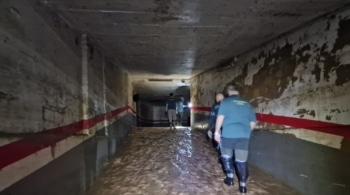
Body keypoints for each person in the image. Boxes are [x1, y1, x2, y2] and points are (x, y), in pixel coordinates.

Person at [214, 84, 256, 193]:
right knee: (241, 161)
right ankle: (242, 187)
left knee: (226, 157)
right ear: (238, 91)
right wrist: (246, 132)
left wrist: (216, 132)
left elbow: (220, 117)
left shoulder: (226, 102)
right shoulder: (247, 104)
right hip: (243, 136)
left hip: (228, 134)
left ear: (228, 92)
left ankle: (230, 179)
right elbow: (252, 122)